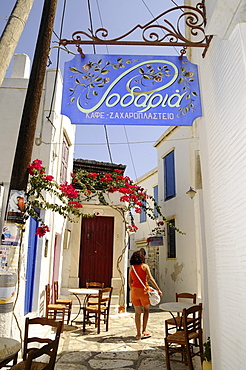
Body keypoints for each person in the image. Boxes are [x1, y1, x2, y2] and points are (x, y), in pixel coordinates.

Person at [129, 250, 162, 340]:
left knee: (137, 313)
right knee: (146, 310)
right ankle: (144, 330)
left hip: (134, 292)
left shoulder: (131, 268)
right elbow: (151, 279)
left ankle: (138, 334)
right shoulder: (145, 266)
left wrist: (133, 290)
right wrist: (158, 289)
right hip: (143, 291)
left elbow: (130, 282)